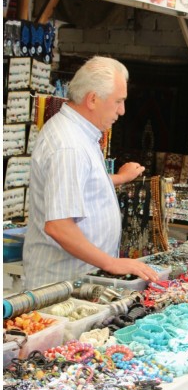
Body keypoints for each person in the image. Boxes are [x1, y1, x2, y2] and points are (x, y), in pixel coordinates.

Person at [23, 56, 157, 289]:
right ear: (93, 99)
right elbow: (59, 226)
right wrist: (111, 263)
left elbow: (80, 184)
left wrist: (120, 178)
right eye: (118, 101)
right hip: (62, 285)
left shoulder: (79, 135)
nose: (122, 110)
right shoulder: (70, 145)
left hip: (74, 280)